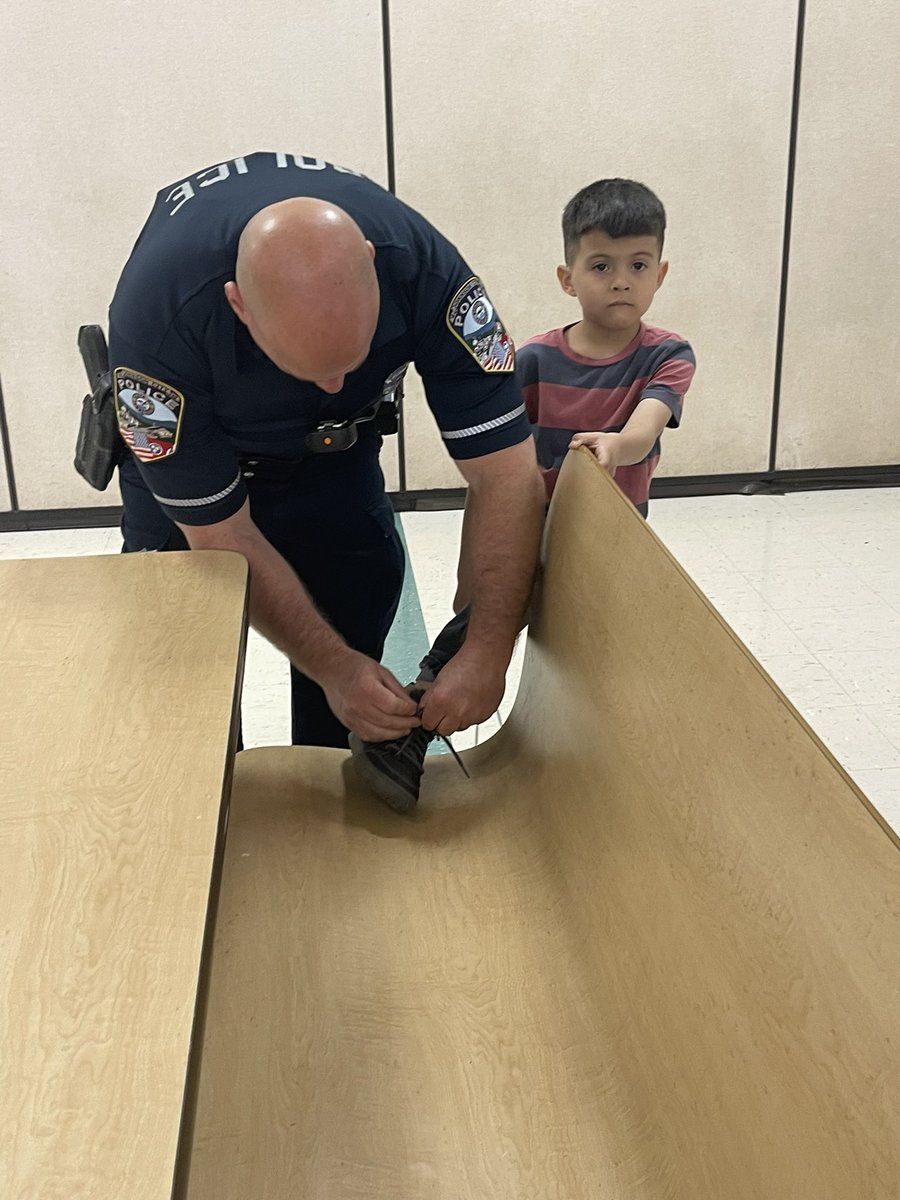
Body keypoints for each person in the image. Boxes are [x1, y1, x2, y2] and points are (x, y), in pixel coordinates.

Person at [107, 151, 545, 811]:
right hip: (201, 453)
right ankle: (209, 814)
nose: (334, 383)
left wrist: (488, 644)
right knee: (189, 668)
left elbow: (508, 476)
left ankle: (335, 798)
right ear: (239, 306)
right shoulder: (157, 323)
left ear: (373, 263)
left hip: (336, 451)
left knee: (353, 636)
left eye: (352, 356)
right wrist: (331, 666)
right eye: (308, 367)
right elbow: (222, 534)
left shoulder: (427, 271)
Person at [517, 179, 696, 516]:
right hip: (539, 523)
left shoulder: (669, 355)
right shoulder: (533, 360)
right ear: (568, 279)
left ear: (660, 275)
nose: (621, 281)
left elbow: (644, 431)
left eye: (638, 266)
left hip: (620, 526)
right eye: (601, 266)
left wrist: (617, 446)